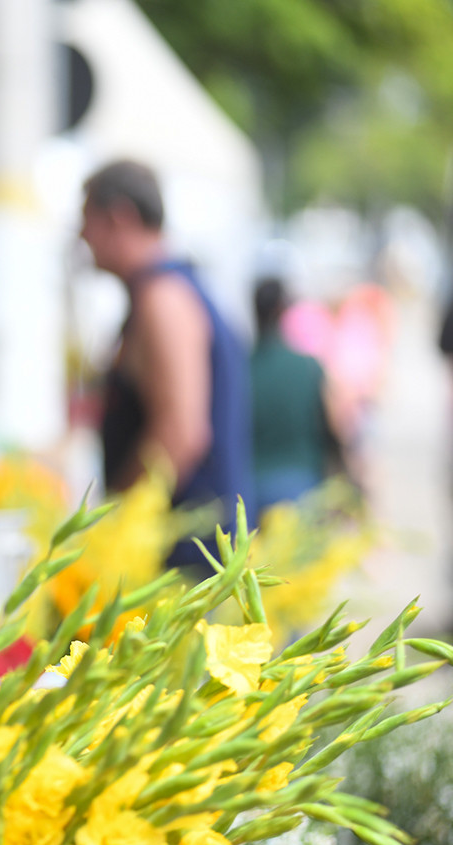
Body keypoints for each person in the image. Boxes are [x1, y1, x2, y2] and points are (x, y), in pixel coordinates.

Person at [79, 159, 254, 571]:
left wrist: (114, 523)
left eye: (87, 219)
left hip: (185, 555)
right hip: (191, 546)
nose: (82, 235)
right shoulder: (167, 291)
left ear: (119, 217)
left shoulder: (162, 299)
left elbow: (180, 433)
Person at [249, 275, 347, 512]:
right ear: (283, 309)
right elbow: (332, 426)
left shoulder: (242, 367)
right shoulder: (308, 367)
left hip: (252, 488)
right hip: (302, 486)